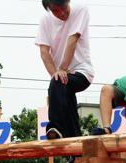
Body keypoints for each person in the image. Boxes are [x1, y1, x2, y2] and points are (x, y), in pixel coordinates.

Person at [35, 0, 94, 140]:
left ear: (68, 1)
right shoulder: (45, 20)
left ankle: (54, 126)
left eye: (63, 7)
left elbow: (73, 40)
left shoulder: (80, 9)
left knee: (58, 83)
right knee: (69, 111)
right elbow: (44, 51)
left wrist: (62, 70)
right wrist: (56, 73)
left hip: (81, 72)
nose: (61, 13)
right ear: (48, 9)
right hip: (63, 77)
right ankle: (76, 155)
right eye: (55, 11)